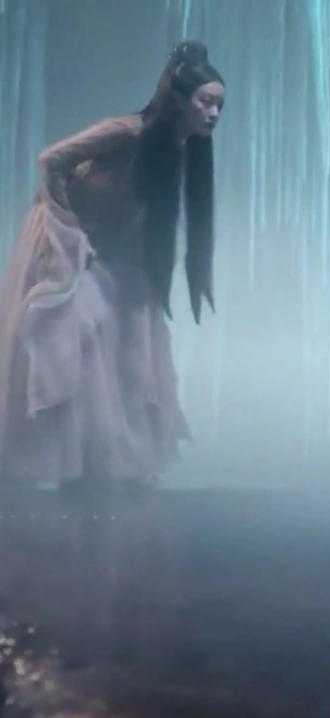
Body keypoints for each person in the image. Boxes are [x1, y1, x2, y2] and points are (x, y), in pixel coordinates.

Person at [0, 40, 224, 491]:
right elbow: (50, 160)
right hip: (67, 235)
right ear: (180, 100)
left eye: (219, 105)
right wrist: (67, 228)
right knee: (77, 330)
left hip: (114, 243)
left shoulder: (181, 148)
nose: (214, 113)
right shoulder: (127, 132)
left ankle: (111, 457)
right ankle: (80, 459)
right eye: (206, 102)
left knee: (133, 335)